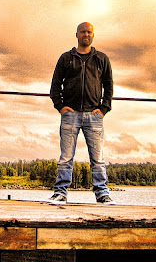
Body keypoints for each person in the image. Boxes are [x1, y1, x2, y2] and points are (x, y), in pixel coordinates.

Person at [48, 22, 115, 205]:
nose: (86, 34)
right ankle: (60, 193)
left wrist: (103, 109)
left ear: (93, 35)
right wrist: (61, 107)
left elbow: (109, 86)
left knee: (98, 158)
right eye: (83, 32)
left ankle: (102, 194)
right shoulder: (66, 58)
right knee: (66, 157)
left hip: (94, 116)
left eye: (89, 32)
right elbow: (55, 85)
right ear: (77, 34)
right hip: (70, 114)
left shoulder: (101, 59)